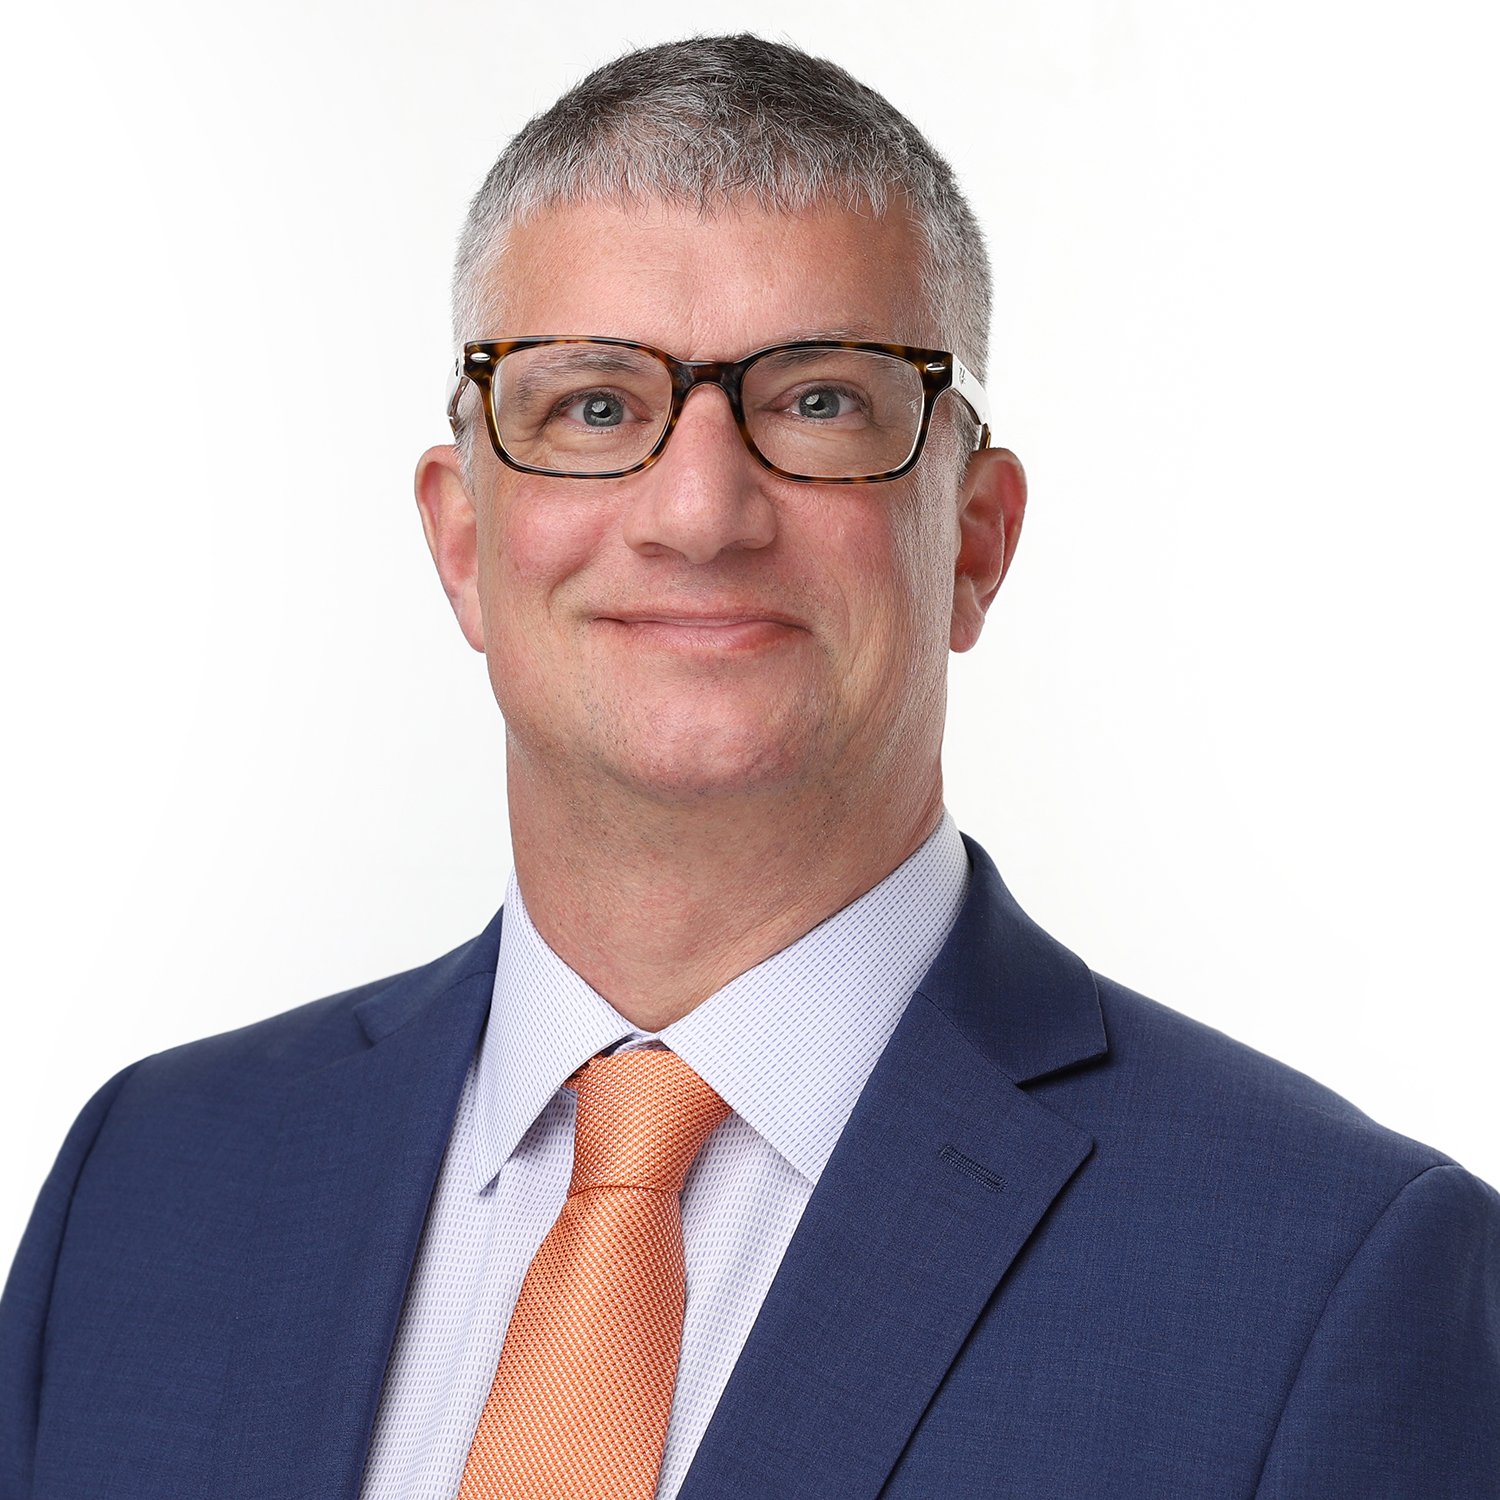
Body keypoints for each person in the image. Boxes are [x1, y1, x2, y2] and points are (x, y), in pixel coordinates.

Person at [2, 31, 1496, 1500]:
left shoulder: (1336, 1278)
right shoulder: (146, 1191)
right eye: (594, 407)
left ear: (975, 537)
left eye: (821, 402)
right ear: (462, 541)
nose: (700, 512)